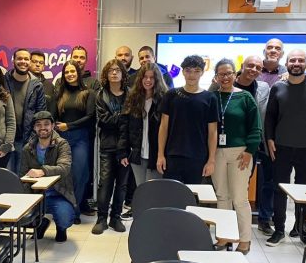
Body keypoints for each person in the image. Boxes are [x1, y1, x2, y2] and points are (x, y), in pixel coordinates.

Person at [264, 50, 306, 246]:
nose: (296, 63)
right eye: (292, 60)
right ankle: (279, 229)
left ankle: (300, 228)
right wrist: (269, 139)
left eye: (301, 60)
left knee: (304, 191)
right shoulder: (278, 87)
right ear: (286, 64)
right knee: (279, 189)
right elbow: (270, 115)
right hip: (281, 146)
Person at [211, 59, 261, 254]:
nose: (225, 77)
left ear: (235, 74)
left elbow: (256, 127)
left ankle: (244, 240)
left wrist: (250, 151)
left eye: (229, 73)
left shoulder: (245, 97)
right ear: (216, 77)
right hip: (217, 152)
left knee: (239, 198)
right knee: (222, 196)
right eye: (221, 74)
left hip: (241, 153)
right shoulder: (212, 97)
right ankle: (224, 236)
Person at [156, 55, 219, 184]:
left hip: (198, 157)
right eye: (188, 70)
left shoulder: (210, 98)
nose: (192, 75)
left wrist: (211, 160)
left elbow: (212, 132)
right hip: (173, 155)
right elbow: (163, 127)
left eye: (196, 71)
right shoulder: (171, 95)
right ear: (183, 72)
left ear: (202, 72)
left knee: (193, 194)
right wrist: (160, 155)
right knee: (172, 193)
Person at [21, 111, 76, 243]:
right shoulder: (27, 148)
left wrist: (42, 171)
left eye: (46, 124)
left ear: (52, 126)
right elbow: (22, 175)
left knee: (65, 218)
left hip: (58, 193)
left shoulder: (62, 144)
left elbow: (64, 168)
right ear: (34, 128)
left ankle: (61, 228)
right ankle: (41, 222)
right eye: (38, 125)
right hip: (37, 195)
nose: (43, 128)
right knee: (22, 219)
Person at [52, 60, 96, 221]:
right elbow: (52, 117)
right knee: (63, 176)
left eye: (72, 71)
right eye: (66, 72)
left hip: (80, 139)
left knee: (79, 175)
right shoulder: (59, 94)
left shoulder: (89, 93)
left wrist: (68, 126)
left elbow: (90, 117)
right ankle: (63, 211)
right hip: (61, 140)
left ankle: (75, 210)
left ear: (78, 73)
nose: (70, 74)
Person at [234, 56, 273, 235]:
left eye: (258, 67)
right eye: (250, 65)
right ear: (242, 66)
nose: (254, 69)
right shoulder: (227, 84)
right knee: (236, 185)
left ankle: (263, 220)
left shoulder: (264, 87)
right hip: (233, 143)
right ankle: (232, 220)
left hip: (257, 142)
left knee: (264, 182)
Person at [120, 62, 168, 197]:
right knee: (141, 192)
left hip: (156, 155)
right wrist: (123, 152)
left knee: (153, 194)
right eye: (145, 77)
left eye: (152, 77)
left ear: (157, 79)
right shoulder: (132, 98)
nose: (148, 80)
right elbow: (124, 127)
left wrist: (164, 155)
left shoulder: (164, 99)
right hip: (137, 155)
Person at [93, 59, 129, 234]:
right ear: (106, 75)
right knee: (105, 183)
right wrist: (122, 117)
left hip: (126, 147)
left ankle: (116, 217)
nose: (114, 73)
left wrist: (119, 118)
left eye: (117, 70)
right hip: (107, 145)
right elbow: (104, 121)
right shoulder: (101, 95)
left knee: (122, 184)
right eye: (110, 70)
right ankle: (101, 218)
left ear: (123, 74)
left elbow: (132, 121)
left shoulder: (131, 94)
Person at [4, 48, 47, 175]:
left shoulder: (37, 85)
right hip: (5, 138)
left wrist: (33, 137)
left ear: (30, 62)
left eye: (26, 59)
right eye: (19, 58)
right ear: (13, 60)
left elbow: (41, 114)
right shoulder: (3, 81)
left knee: (22, 177)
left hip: (26, 139)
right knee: (6, 176)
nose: (23, 61)